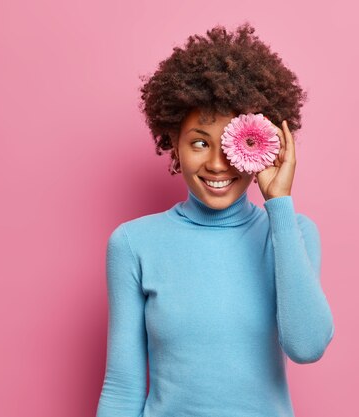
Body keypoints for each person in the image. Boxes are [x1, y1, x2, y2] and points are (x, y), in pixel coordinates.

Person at [96, 22, 335, 417]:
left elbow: (307, 346)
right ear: (174, 142)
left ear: (261, 144)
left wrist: (279, 203)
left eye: (231, 144)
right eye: (200, 142)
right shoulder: (133, 244)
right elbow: (122, 386)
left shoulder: (293, 233)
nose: (215, 164)